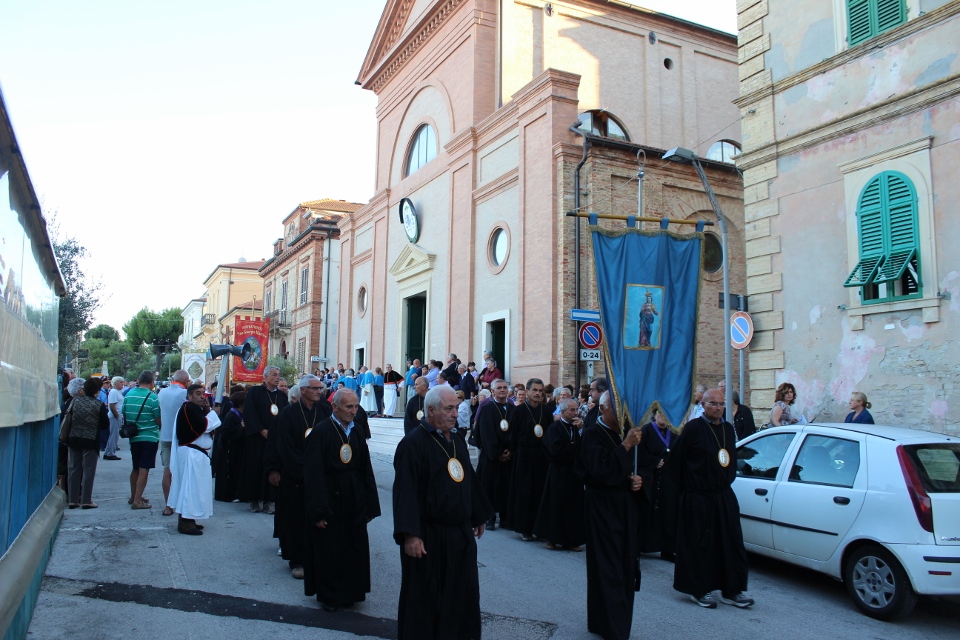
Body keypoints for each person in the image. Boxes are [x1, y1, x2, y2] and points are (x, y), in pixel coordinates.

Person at [393, 385, 493, 640]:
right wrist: (411, 534)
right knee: (425, 598)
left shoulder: (456, 440)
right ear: (431, 410)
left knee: (461, 594)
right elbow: (405, 491)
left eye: (456, 408)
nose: (455, 414)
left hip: (459, 532)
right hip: (428, 535)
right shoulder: (413, 444)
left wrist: (477, 514)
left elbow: (467, 478)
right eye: (449, 409)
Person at [670, 389, 753, 609]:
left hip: (723, 495)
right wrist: (686, 492)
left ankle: (732, 589)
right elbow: (676, 462)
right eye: (713, 404)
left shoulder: (727, 429)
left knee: (730, 542)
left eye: (721, 404)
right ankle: (699, 589)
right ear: (703, 405)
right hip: (697, 496)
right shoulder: (693, 428)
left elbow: (730, 459)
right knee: (700, 544)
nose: (718, 408)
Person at [303, 389, 380, 612]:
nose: (354, 411)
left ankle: (352, 592)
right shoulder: (321, 432)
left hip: (354, 496)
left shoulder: (356, 431)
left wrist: (370, 504)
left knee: (354, 546)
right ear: (335, 407)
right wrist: (318, 510)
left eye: (356, 407)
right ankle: (330, 595)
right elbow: (313, 474)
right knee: (331, 547)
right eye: (349, 407)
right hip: (330, 496)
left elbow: (365, 468)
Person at [577, 390, 644, 640]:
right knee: (608, 566)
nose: (622, 413)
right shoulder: (592, 434)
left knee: (625, 565)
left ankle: (610, 621)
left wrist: (639, 480)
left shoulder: (625, 433)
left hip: (625, 506)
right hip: (602, 507)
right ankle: (611, 627)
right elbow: (600, 471)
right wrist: (626, 445)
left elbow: (641, 466)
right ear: (603, 409)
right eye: (617, 408)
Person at [270, 375, 333, 580]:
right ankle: (297, 561)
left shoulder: (325, 411)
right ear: (303, 390)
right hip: (295, 476)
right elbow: (284, 446)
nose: (319, 392)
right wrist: (303, 470)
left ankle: (319, 559)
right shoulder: (288, 414)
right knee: (296, 520)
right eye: (315, 388)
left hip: (321, 475)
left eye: (320, 388)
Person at [169, 383, 221, 535]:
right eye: (198, 394)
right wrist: (213, 413)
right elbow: (203, 426)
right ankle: (185, 522)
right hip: (191, 454)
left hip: (197, 454)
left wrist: (208, 411)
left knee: (196, 489)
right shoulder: (188, 408)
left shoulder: (196, 409)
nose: (202, 397)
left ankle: (189, 518)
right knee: (189, 488)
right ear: (189, 396)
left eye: (203, 393)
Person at [534, 398, 585, 551]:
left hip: (574, 474)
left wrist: (581, 431)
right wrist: (573, 450)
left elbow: (584, 448)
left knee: (573, 507)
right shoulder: (555, 428)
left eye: (576, 410)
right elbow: (554, 451)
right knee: (555, 506)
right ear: (562, 412)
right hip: (558, 472)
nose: (575, 413)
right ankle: (552, 539)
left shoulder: (577, 428)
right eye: (572, 410)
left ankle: (571, 540)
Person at [506, 378, 552, 541]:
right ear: (527, 391)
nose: (538, 393)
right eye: (535, 390)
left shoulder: (546, 411)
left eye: (540, 391)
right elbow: (512, 434)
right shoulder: (518, 411)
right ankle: (525, 527)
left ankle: (540, 528)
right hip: (524, 455)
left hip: (542, 456)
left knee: (541, 491)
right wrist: (511, 451)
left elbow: (549, 433)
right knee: (525, 492)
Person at [241, 365, 288, 514]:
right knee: (255, 468)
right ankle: (254, 500)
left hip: (274, 440)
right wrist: (261, 430)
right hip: (258, 438)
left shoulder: (282, 396)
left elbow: (285, 416)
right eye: (274, 375)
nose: (277, 378)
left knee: (272, 469)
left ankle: (269, 500)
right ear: (265, 377)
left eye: (278, 375)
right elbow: (250, 413)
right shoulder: (255, 392)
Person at [637, 409, 679, 561]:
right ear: (655, 415)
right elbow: (639, 453)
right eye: (661, 414)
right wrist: (654, 461)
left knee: (668, 513)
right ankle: (641, 545)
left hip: (668, 479)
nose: (664, 418)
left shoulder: (673, 433)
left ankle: (667, 548)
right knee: (647, 512)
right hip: (650, 478)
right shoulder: (646, 431)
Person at [64, 376, 110, 509]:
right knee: (88, 471)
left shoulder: (75, 401)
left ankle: (72, 499)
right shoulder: (98, 404)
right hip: (90, 440)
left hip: (73, 439)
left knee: (73, 469)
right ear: (97, 391)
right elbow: (105, 424)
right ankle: (86, 500)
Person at [476, 379, 514, 530]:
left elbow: (515, 431)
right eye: (499, 388)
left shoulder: (513, 408)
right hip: (491, 456)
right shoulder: (487, 408)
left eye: (505, 387)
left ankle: (505, 518)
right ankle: (490, 518)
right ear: (493, 391)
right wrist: (498, 452)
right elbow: (486, 433)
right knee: (490, 487)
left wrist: (510, 449)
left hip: (509, 456)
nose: (502, 390)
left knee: (506, 487)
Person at [123, 371, 162, 510]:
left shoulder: (129, 395)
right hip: (149, 436)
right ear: (152, 382)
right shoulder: (153, 397)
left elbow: (124, 414)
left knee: (135, 467)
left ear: (139, 381)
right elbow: (158, 419)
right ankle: (137, 500)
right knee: (144, 468)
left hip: (134, 437)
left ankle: (133, 495)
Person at [158, 370, 190, 516]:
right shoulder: (184, 394)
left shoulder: (162, 392)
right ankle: (181, 503)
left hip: (165, 436)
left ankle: (168, 506)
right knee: (182, 472)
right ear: (185, 381)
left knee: (167, 471)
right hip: (180, 438)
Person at [214, 390, 246, 502]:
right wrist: (240, 427)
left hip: (237, 449)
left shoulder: (239, 414)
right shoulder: (231, 415)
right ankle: (228, 495)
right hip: (229, 450)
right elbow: (225, 433)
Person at [103, 376, 125, 460]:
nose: (122, 384)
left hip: (117, 415)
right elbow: (112, 405)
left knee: (113, 435)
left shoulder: (118, 392)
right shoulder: (114, 392)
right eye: (120, 382)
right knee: (114, 435)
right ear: (115, 383)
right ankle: (110, 453)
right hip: (114, 416)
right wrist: (116, 415)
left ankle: (108, 452)